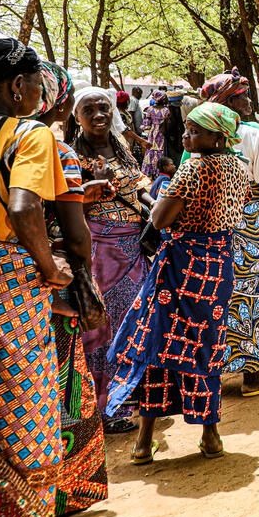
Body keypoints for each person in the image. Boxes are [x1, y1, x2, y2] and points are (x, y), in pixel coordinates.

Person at [106, 102, 249, 464]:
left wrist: (149, 198)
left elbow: (161, 218)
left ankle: (143, 442)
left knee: (159, 345)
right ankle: (210, 435)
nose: (186, 136)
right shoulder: (238, 168)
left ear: (219, 137)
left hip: (181, 265)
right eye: (186, 129)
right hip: (217, 265)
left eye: (195, 131)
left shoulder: (192, 169)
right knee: (206, 343)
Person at [0, 41, 75, 517]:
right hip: (9, 276)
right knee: (23, 401)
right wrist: (51, 267)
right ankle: (23, 515)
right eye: (37, 83)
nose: (40, 93)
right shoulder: (29, 134)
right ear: (18, 86)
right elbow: (22, 208)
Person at [37, 62, 110, 517]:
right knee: (59, 379)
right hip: (46, 278)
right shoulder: (53, 150)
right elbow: (73, 230)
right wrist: (81, 279)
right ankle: (61, 494)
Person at [69, 86, 154, 432]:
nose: (99, 115)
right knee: (104, 330)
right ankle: (108, 406)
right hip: (101, 252)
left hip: (134, 247)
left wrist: (154, 207)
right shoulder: (73, 157)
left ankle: (134, 396)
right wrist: (93, 189)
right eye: (89, 110)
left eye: (103, 108)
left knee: (136, 321)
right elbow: (67, 208)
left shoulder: (122, 148)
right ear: (77, 118)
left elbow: (137, 188)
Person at [197, 69, 259, 394]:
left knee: (218, 295)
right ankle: (251, 376)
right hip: (248, 221)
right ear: (231, 100)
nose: (248, 101)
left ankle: (216, 375)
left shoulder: (198, 135)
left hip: (211, 223)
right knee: (251, 295)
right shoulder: (252, 135)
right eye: (243, 95)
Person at [141, 89, 170, 178]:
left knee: (150, 151)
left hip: (152, 133)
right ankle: (158, 172)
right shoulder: (166, 110)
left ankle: (149, 172)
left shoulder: (149, 109)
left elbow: (146, 124)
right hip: (161, 134)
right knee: (160, 151)